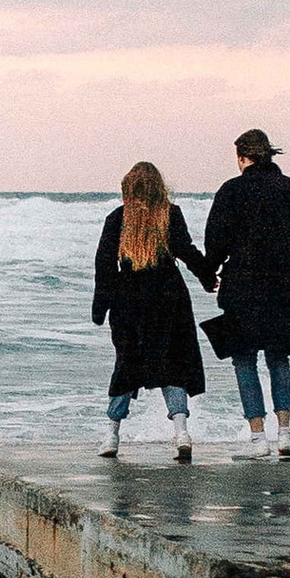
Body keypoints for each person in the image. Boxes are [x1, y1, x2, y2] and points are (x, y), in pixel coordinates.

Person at [202, 128, 290, 454]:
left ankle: (257, 438)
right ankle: (284, 435)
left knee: (244, 361)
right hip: (288, 288)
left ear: (242, 157)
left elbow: (215, 241)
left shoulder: (231, 190)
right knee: (279, 359)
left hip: (243, 287)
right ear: (268, 155)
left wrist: (208, 273)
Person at [90, 160, 214, 460]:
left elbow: (104, 267)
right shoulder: (170, 214)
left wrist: (100, 308)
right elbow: (186, 251)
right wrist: (208, 277)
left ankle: (112, 436)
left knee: (126, 367)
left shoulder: (116, 218)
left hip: (128, 301)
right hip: (169, 300)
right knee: (173, 365)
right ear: (159, 188)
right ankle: (181, 432)